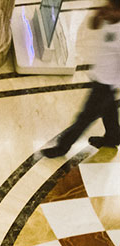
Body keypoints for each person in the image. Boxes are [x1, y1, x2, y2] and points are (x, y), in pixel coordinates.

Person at [42, 1, 120, 157]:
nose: (108, 10)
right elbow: (93, 25)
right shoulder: (110, 19)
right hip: (100, 77)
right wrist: (99, 15)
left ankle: (62, 147)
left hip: (106, 84)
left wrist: (116, 84)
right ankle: (113, 137)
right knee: (108, 110)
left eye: (113, 8)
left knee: (84, 118)